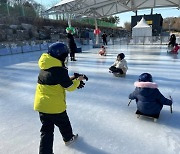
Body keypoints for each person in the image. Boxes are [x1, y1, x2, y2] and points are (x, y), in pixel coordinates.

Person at [34, 42, 86, 154]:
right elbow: (70, 87)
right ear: (60, 56)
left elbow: (58, 81)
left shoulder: (45, 66)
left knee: (46, 131)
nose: (66, 58)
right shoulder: (59, 70)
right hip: (55, 107)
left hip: (41, 105)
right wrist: (78, 80)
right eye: (65, 56)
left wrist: (73, 78)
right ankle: (68, 138)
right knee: (64, 123)